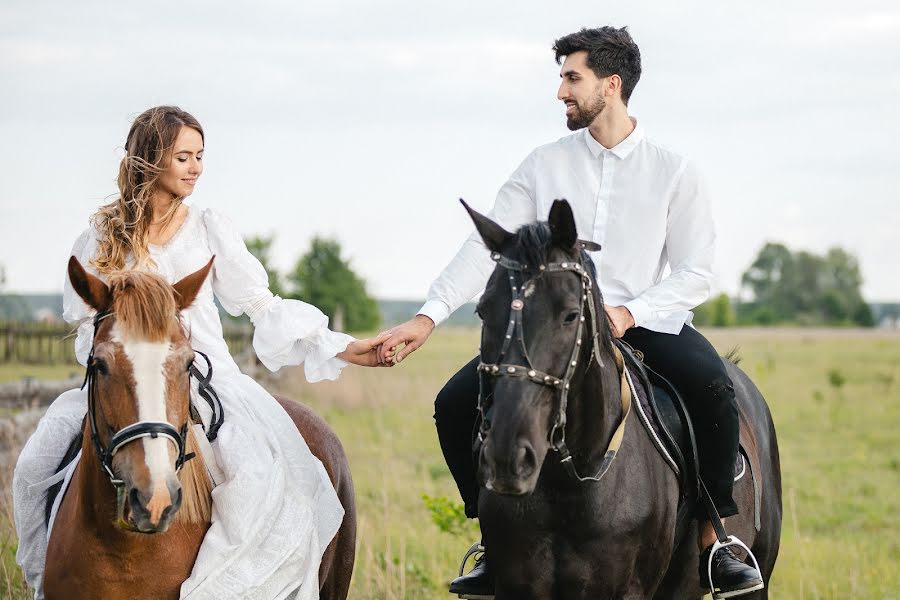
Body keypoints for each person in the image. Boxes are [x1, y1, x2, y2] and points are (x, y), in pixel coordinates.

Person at [378, 26, 764, 597]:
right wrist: (429, 315)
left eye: (571, 77)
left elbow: (696, 271)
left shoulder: (675, 171)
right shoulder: (542, 165)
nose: (560, 91)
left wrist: (630, 313)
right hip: (551, 329)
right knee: (455, 403)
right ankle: (491, 540)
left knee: (712, 387)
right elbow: (489, 246)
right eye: (561, 78)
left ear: (611, 85)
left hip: (642, 327)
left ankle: (715, 541)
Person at [13, 105, 391, 599]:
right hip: (120, 384)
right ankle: (44, 582)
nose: (196, 167)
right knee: (33, 467)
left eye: (200, 156)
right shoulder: (101, 236)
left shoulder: (207, 228)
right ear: (150, 160)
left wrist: (342, 347)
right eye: (184, 156)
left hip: (208, 381)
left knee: (256, 476)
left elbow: (259, 303)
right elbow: (88, 328)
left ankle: (219, 588)